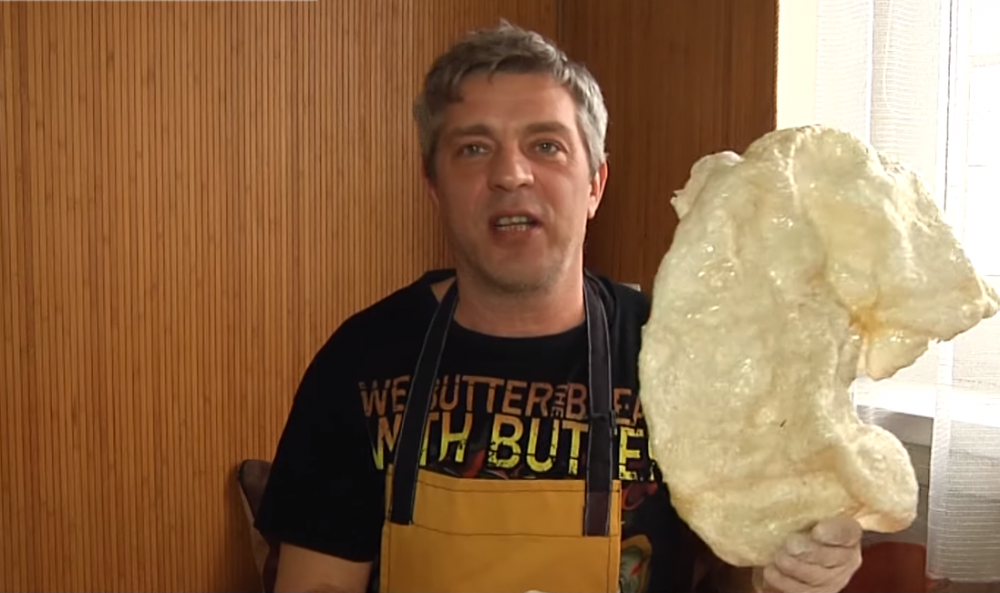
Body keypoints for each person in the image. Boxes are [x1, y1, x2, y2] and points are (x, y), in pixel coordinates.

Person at [254, 21, 864, 593]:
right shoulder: (362, 361)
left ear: (595, 184)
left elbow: (746, 565)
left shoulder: (685, 355)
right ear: (433, 185)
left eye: (545, 145)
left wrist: (798, 570)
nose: (511, 175)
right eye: (473, 148)